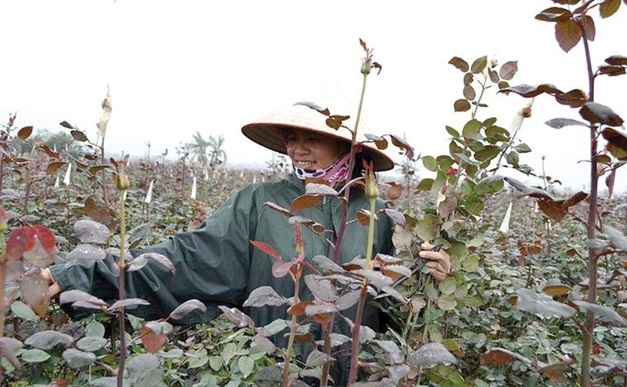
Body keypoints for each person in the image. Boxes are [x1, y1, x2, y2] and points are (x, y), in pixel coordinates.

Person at [42, 102, 452, 385]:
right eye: (290, 138)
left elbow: (398, 301)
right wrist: (80, 276)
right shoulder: (259, 202)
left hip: (361, 373)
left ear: (345, 146)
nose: (297, 149)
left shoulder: (378, 214)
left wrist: (432, 275)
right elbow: (185, 259)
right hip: (279, 370)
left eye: (310, 138)